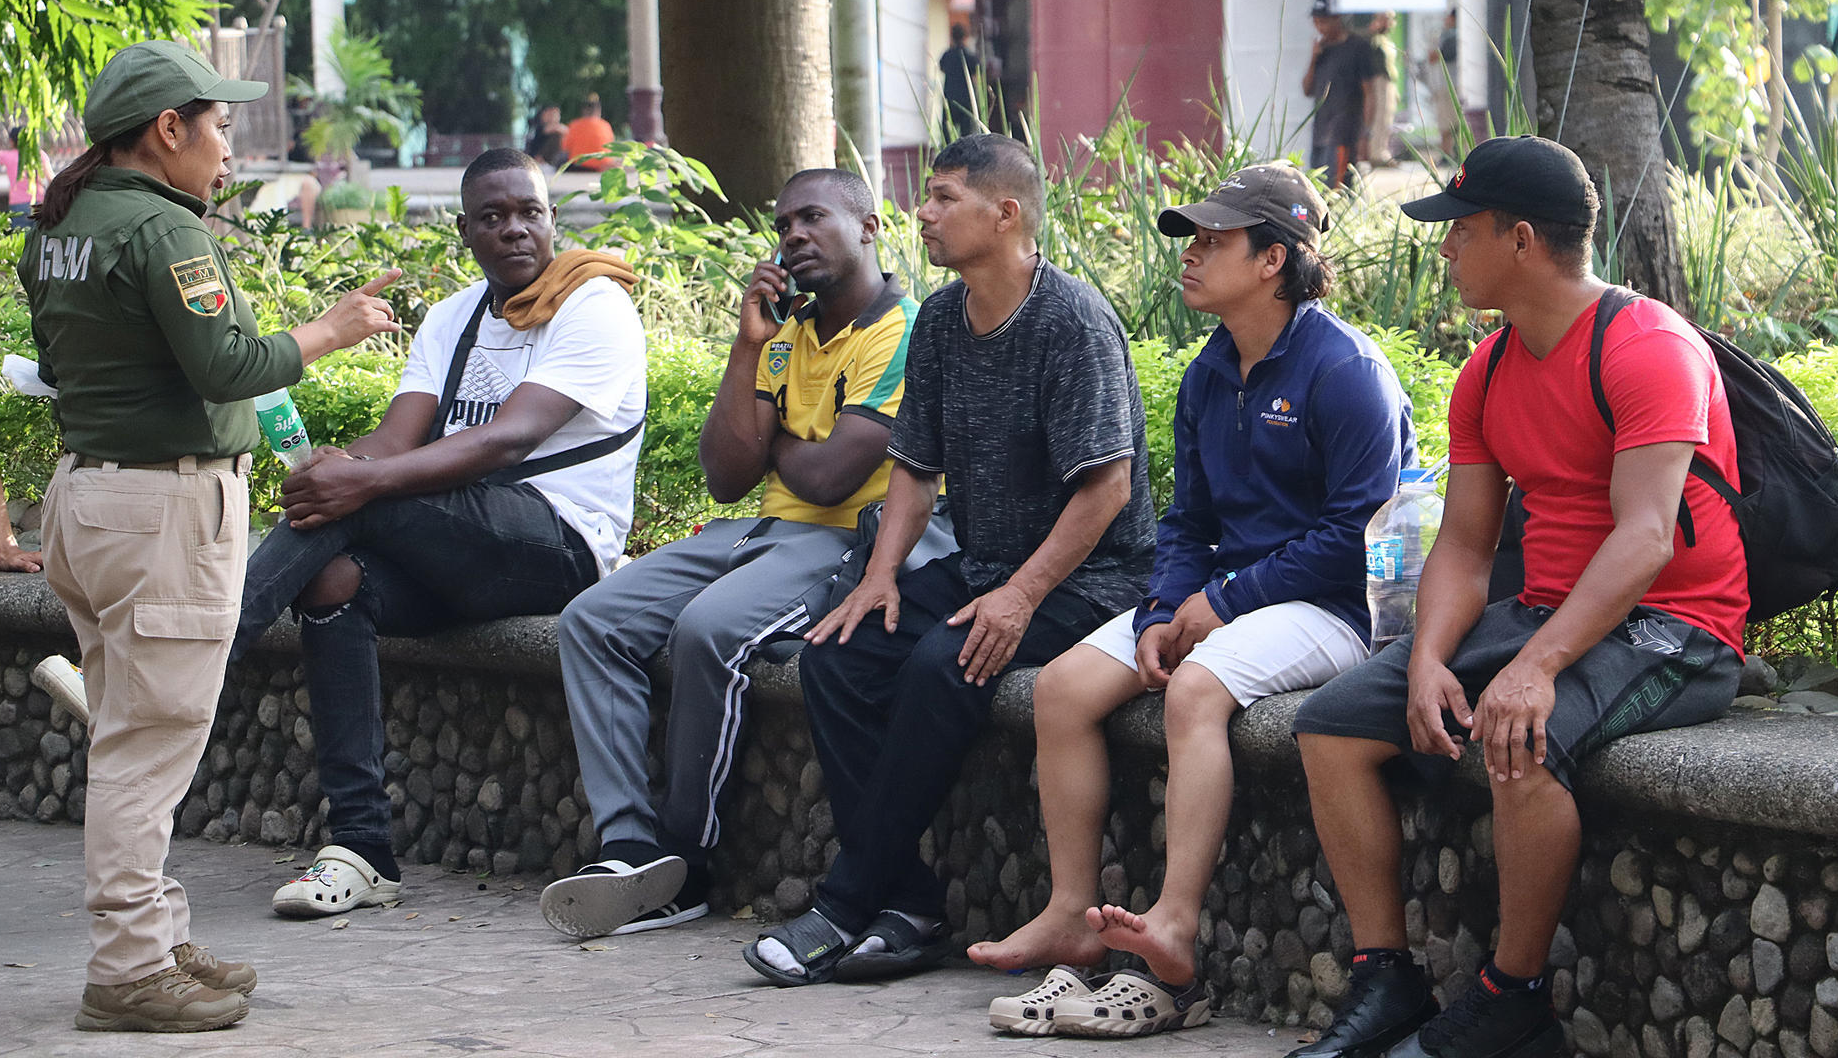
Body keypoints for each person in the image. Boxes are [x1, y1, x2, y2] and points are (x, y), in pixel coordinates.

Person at [1288, 136, 1748, 1058]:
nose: (1447, 249)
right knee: (1331, 726)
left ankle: (1513, 997)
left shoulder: (1648, 345)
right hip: (1546, 610)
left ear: (1522, 238)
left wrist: (1535, 669)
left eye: (1462, 231)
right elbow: (1465, 543)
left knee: (1518, 737)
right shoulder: (1488, 370)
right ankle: (1388, 979)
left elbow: (1647, 537)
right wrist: (1423, 661)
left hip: (1676, 626)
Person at [971, 164, 1416, 1037]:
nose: (1192, 257)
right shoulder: (1212, 372)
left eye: (1215, 242)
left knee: (1197, 689)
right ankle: (1071, 913)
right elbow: (1186, 519)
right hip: (1228, 598)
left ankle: (1173, 924)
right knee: (1061, 691)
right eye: (1192, 240)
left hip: (1335, 608)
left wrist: (1224, 600)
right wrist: (1158, 611)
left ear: (1273, 261)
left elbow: (1356, 532)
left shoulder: (1346, 368)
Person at [20, 39, 399, 1032]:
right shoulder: (163, 231)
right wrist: (333, 328)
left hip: (86, 499)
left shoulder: (61, 224)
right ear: (167, 129)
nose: (229, 146)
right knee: (150, 746)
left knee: (129, 735)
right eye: (220, 126)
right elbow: (229, 363)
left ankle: (156, 933)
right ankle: (129, 966)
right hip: (161, 513)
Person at [743, 133, 1156, 987]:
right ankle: (908, 902)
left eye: (942, 198)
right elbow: (915, 468)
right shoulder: (938, 318)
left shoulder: (1070, 322)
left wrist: (1020, 598)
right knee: (835, 654)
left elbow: (1106, 491)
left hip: (1092, 578)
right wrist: (881, 576)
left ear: (1005, 215)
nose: (922, 215)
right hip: (983, 566)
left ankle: (847, 901)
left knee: (944, 663)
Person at [238, 147, 647, 921]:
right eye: (492, 217)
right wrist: (336, 467)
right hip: (458, 547)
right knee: (334, 579)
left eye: (529, 212)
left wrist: (357, 483)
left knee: (357, 500)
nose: (515, 230)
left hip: (558, 544)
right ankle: (363, 850)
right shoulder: (453, 316)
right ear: (464, 230)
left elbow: (507, 440)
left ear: (552, 218)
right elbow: (395, 444)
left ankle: (197, 661)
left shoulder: (594, 304)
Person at [543, 168, 918, 940]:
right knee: (590, 620)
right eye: (783, 224)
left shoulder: (904, 330)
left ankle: (686, 861)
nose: (793, 236)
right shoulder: (782, 335)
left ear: (871, 227)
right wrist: (747, 350)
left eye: (813, 217)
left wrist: (769, 433)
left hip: (844, 539)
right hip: (754, 532)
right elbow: (724, 475)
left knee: (709, 630)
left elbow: (828, 477)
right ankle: (630, 847)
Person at [1302, 0, 1378, 189]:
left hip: (1344, 132)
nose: (1319, 27)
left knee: (1337, 191)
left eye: (1324, 22)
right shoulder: (1321, 49)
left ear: (1337, 19)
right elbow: (1307, 89)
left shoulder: (1358, 47)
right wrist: (1313, 59)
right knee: (1316, 189)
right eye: (1316, 22)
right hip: (1320, 132)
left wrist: (1365, 133)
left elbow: (1370, 93)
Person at [1419, 9, 1461, 163]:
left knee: (1447, 123)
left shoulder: (1452, 36)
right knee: (1450, 122)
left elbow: (1434, 56)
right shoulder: (1453, 35)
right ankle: (1450, 153)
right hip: (1447, 86)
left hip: (1448, 87)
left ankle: (1446, 154)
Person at [1365, 12, 1400, 168]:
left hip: (1389, 81)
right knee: (1380, 117)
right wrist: (1372, 31)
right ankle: (1376, 153)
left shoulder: (1387, 40)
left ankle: (1383, 150)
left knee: (1387, 118)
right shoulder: (1374, 39)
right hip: (1378, 80)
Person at [0, 124, 49, 222]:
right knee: (37, 236)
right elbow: (51, 178)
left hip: (17, 204)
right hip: (38, 203)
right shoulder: (39, 155)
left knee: (19, 235)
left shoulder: (7, 156)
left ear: (11, 141)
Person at [939, 25, 981, 139]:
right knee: (967, 134)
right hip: (966, 99)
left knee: (947, 132)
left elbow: (941, 68)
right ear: (965, 37)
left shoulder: (947, 55)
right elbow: (978, 71)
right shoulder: (969, 56)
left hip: (950, 97)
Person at [561, 95, 615, 171]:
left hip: (580, 165)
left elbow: (565, 147)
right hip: (603, 165)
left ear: (583, 111)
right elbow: (611, 146)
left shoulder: (574, 125)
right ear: (598, 111)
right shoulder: (606, 125)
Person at [528, 103, 567, 168]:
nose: (553, 117)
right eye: (551, 114)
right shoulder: (540, 128)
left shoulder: (557, 128)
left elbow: (566, 131)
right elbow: (549, 129)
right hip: (538, 158)